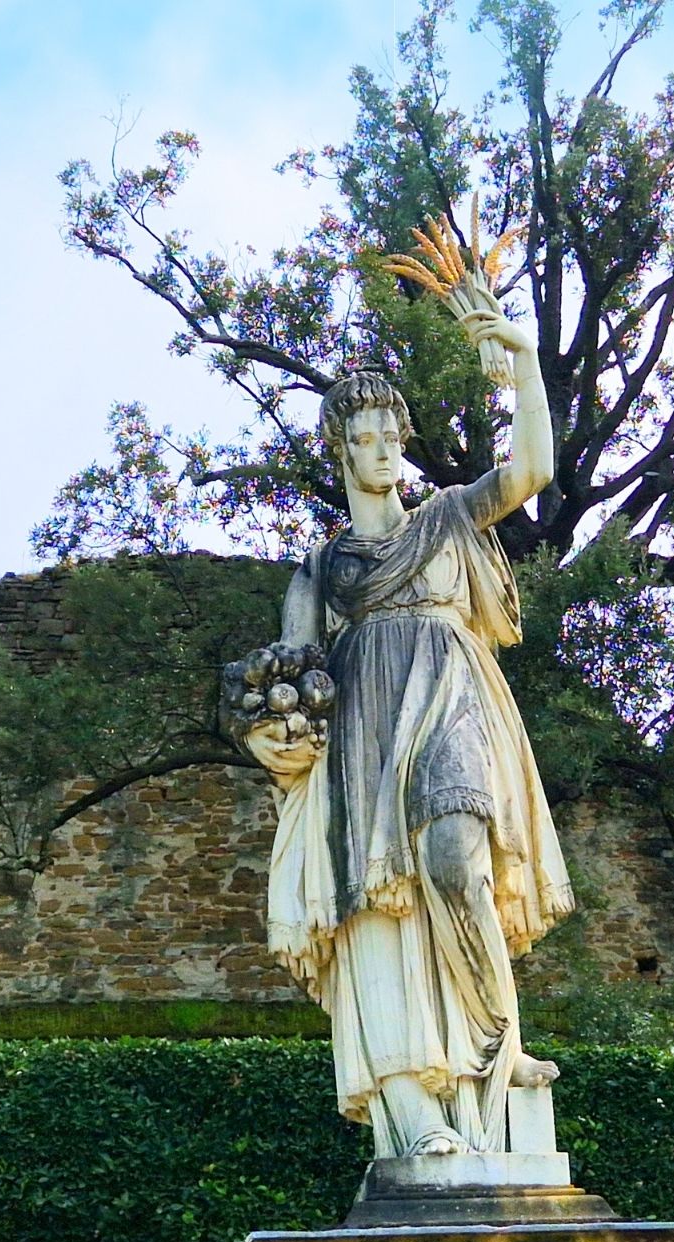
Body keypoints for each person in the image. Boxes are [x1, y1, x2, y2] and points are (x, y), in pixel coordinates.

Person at [244, 303, 575, 1160]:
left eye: (393, 434)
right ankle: (413, 1098)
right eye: (367, 438)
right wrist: (271, 742)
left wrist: (523, 360)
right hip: (363, 728)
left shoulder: (448, 519)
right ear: (343, 451)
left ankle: (496, 1043)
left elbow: (533, 468)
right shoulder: (320, 569)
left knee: (456, 861)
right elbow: (286, 686)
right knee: (378, 907)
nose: (386, 450)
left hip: (452, 695)